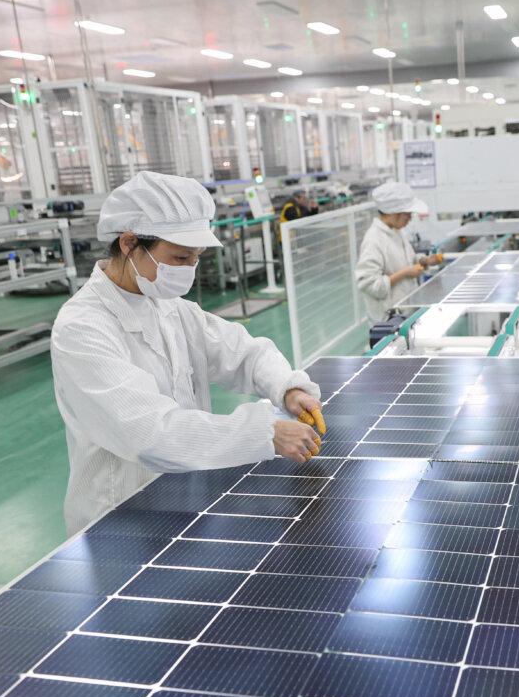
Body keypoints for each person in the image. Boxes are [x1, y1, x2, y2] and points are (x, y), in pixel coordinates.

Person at [51, 171, 325, 535]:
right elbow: (151, 434)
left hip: (184, 499)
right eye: (179, 258)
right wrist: (264, 432)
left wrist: (288, 387)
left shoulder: (168, 306)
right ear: (130, 243)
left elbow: (242, 352)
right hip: (120, 519)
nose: (189, 270)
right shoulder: (82, 329)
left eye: (196, 258)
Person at [355, 181, 441, 323]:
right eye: (407, 214)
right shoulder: (374, 240)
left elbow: (409, 259)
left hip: (407, 311)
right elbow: (370, 285)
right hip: (389, 321)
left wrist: (424, 261)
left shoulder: (397, 232)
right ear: (394, 213)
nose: (410, 217)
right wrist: (405, 273)